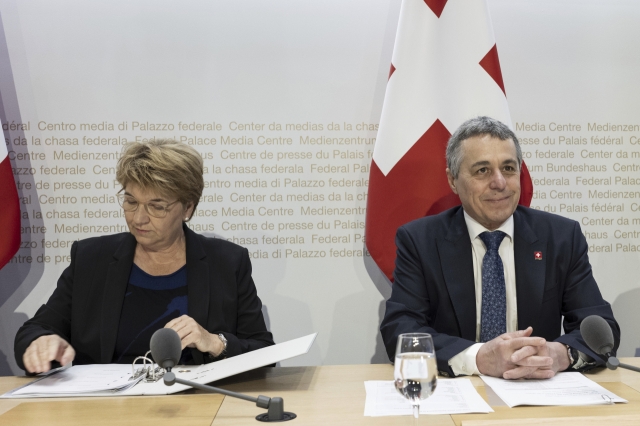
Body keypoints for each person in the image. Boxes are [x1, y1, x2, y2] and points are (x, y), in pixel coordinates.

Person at [380, 116, 620, 379]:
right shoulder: (419, 240)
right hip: (457, 393)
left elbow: (601, 327)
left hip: (538, 391)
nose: (499, 183)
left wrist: (559, 354)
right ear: (452, 180)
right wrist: (479, 358)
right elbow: (401, 331)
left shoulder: (561, 236)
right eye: (482, 170)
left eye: (508, 168)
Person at [15, 139, 274, 373]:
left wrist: (215, 342)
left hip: (196, 408)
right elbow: (36, 329)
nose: (139, 218)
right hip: (104, 412)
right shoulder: (92, 258)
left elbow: (265, 353)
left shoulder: (227, 263)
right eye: (131, 201)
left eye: (156, 206)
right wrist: (41, 343)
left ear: (188, 207)